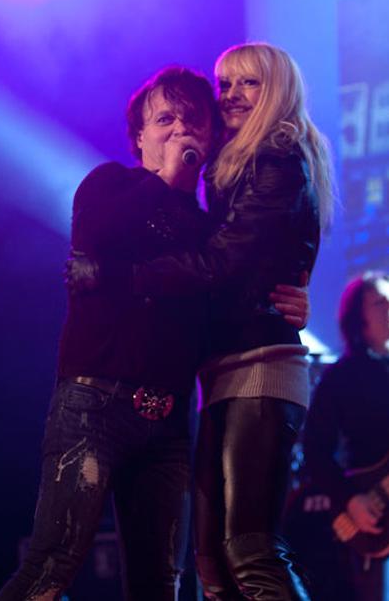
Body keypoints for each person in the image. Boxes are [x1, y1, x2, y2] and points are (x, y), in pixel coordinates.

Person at [0, 66, 307, 601]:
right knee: (51, 567)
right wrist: (164, 179)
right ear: (140, 136)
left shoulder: (211, 230)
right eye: (165, 119)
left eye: (193, 120)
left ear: (211, 137)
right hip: (94, 405)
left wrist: (287, 305)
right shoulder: (107, 184)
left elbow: (230, 297)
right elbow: (98, 241)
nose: (180, 129)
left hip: (168, 425)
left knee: (161, 584)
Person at [128, 43, 334, 600]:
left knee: (249, 549)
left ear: (278, 91)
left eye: (249, 84)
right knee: (212, 560)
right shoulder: (234, 163)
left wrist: (132, 276)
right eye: (226, 85)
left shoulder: (276, 160)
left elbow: (224, 260)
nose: (232, 96)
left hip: (261, 365)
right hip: (228, 368)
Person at [303, 271, 389, 601]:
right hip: (373, 515)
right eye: (380, 302)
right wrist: (351, 499)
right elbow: (315, 450)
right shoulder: (341, 377)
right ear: (359, 319)